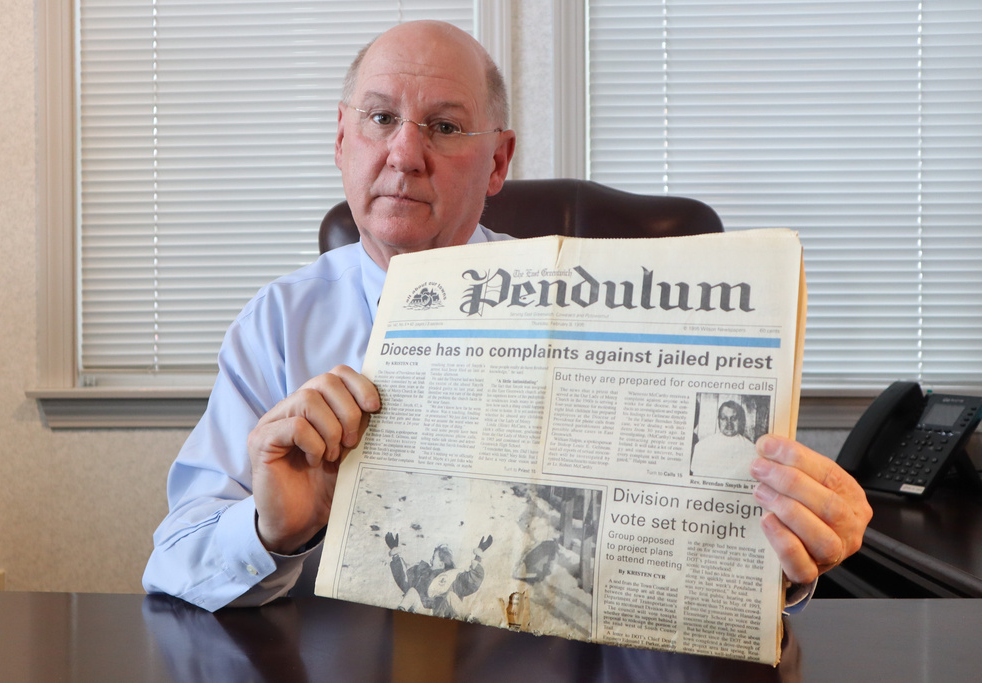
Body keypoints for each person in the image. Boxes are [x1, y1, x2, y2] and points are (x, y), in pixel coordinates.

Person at [142, 20, 872, 612]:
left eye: (445, 126)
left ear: (498, 163)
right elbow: (174, 559)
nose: (404, 153)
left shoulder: (590, 307)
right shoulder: (277, 324)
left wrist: (785, 553)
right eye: (380, 117)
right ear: (342, 141)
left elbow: (706, 548)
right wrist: (275, 529)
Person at [385, 532, 492, 618]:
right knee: (412, 591)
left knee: (451, 596)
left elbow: (472, 580)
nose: (430, 560)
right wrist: (395, 555)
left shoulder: (453, 576)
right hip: (421, 610)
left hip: (441, 613)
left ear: (441, 563)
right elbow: (403, 578)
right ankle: (401, 612)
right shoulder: (422, 572)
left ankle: (469, 619)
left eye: (433, 558)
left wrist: (478, 556)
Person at [691, 400, 759, 480]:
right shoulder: (702, 446)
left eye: (733, 418)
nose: (729, 423)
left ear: (739, 421)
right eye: (724, 418)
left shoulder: (752, 450)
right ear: (718, 420)